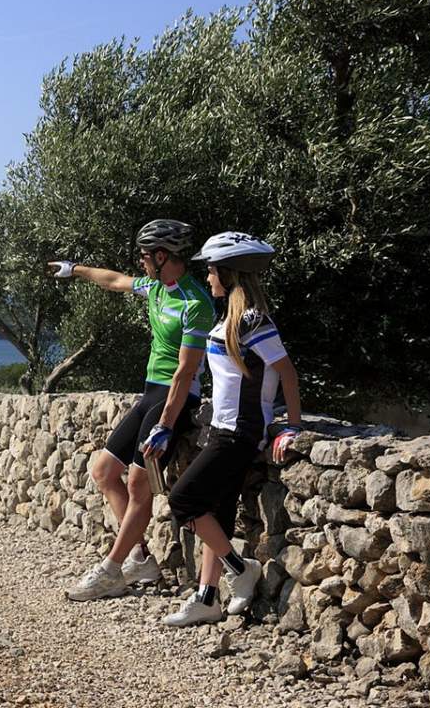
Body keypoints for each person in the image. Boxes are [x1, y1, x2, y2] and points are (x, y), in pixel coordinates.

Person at [48, 219, 215, 601]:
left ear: (161, 256)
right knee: (104, 471)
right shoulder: (156, 287)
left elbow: (186, 371)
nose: (139, 262)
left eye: (143, 256)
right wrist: (75, 270)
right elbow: (115, 280)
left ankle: (111, 570)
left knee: (140, 486)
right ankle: (139, 557)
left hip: (177, 399)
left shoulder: (195, 304)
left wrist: (167, 425)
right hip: (149, 394)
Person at [162, 231, 303, 626]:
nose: (207, 278)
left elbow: (287, 375)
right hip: (221, 428)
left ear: (227, 273)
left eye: (211, 271)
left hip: (239, 434)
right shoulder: (230, 319)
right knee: (216, 511)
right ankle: (207, 598)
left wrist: (291, 427)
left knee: (183, 501)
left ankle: (240, 569)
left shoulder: (254, 322)